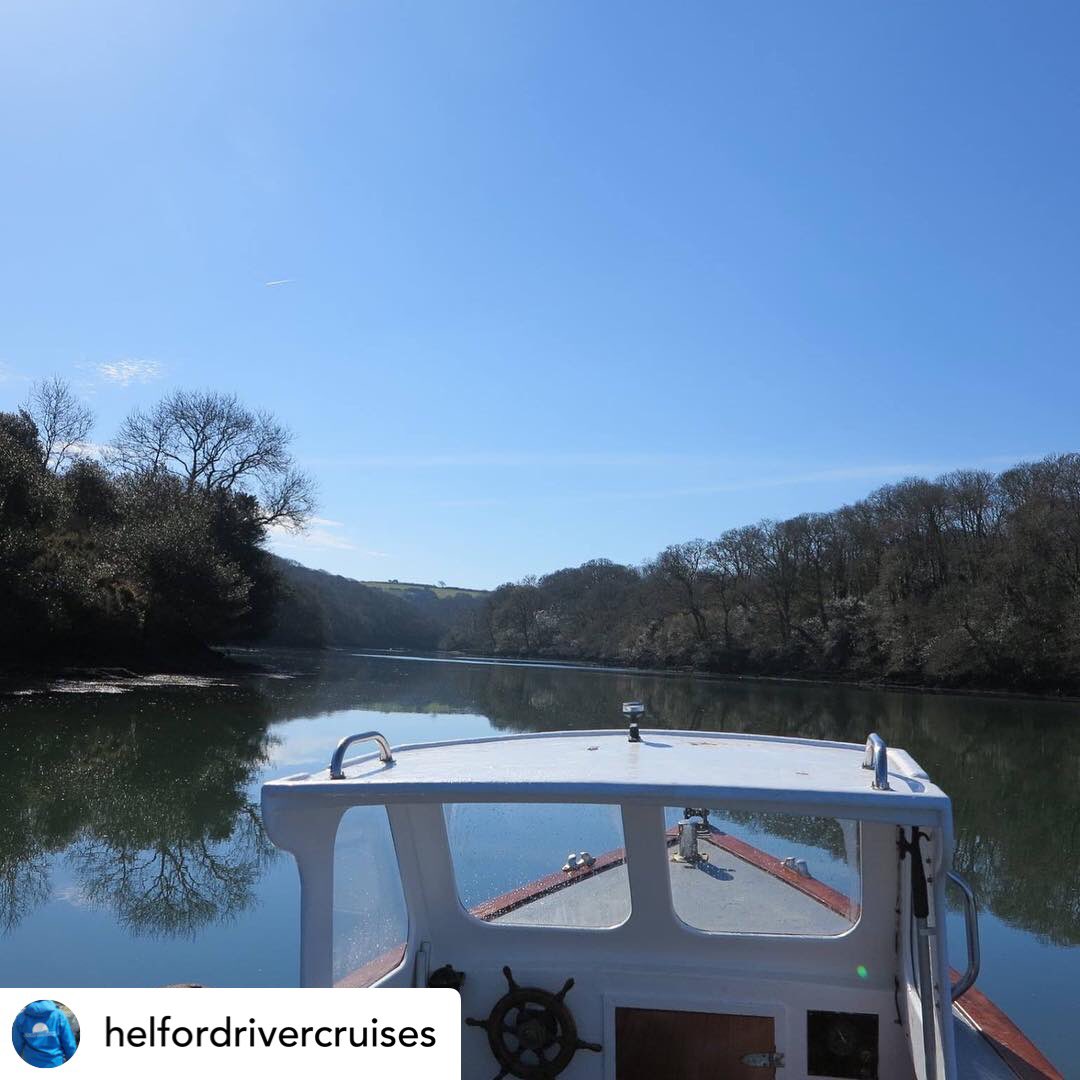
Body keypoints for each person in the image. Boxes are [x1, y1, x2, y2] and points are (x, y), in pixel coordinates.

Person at [11, 1001, 78, 1068]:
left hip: (30, 1062)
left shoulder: (21, 1017)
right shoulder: (59, 1015)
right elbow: (69, 1044)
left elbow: (16, 1044)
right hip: (55, 1062)